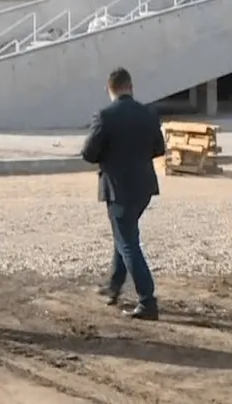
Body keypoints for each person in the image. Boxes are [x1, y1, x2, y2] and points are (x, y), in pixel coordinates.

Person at [80, 67, 166, 320]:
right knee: (124, 234)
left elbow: (88, 153)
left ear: (109, 89)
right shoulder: (148, 113)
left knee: (127, 242)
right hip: (144, 187)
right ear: (131, 87)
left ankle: (147, 300)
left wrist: (111, 156)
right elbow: (159, 148)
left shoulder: (105, 116)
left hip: (118, 188)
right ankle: (114, 285)